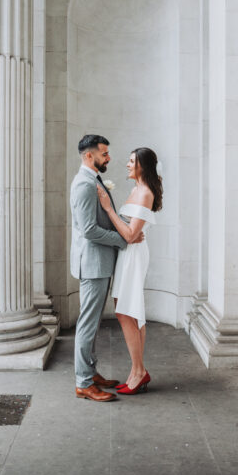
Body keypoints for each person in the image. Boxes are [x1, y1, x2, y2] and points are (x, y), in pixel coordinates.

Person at [70, 134, 144, 403]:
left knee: (92, 323)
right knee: (87, 325)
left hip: (98, 262)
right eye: (104, 153)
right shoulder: (84, 184)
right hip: (92, 264)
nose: (109, 157)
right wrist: (123, 239)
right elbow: (89, 230)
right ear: (89, 156)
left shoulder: (93, 179)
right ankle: (83, 383)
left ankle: (90, 372)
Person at [97, 147, 163, 395]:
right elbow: (129, 232)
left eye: (131, 161)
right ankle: (136, 371)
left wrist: (108, 209)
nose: (126, 164)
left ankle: (139, 371)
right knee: (130, 310)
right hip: (129, 254)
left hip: (134, 256)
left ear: (142, 166)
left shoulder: (144, 192)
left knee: (126, 310)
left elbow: (130, 234)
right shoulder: (136, 189)